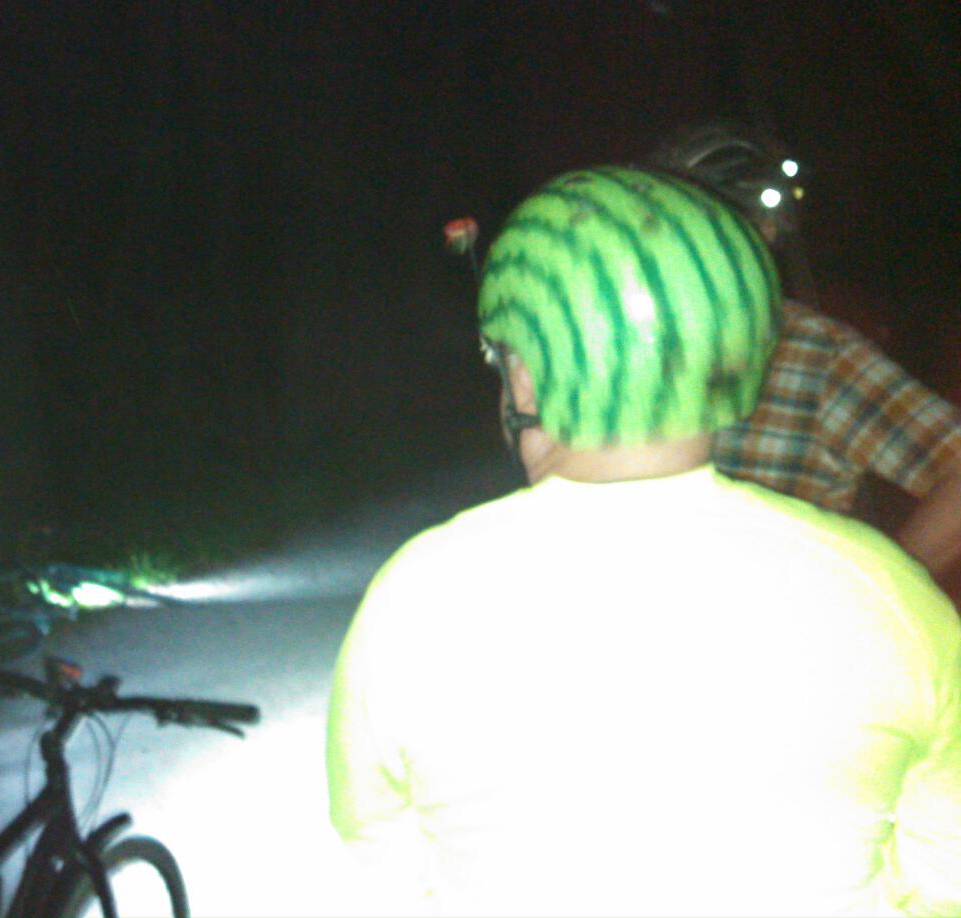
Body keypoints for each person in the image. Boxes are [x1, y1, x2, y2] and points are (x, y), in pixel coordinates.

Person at [326, 166, 961, 915]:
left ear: (524, 382)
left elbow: (380, 857)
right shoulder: (893, 600)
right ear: (742, 359)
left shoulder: (414, 597)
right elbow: (943, 871)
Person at [650, 120, 961, 584]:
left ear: (767, 231)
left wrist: (882, 587)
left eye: (728, 224)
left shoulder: (814, 354)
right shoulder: (623, 342)